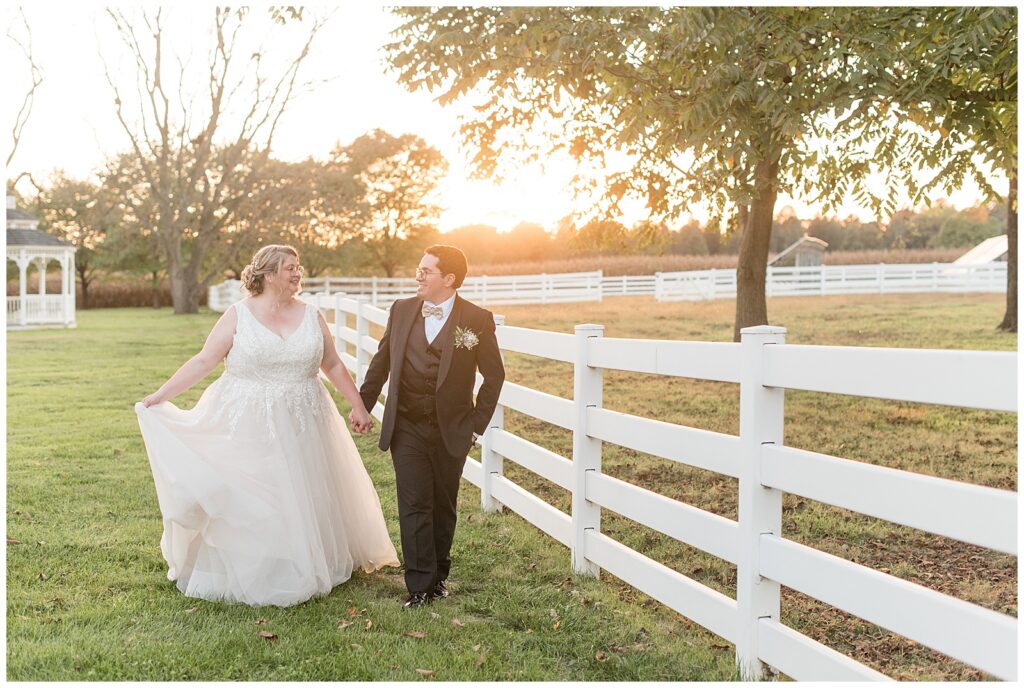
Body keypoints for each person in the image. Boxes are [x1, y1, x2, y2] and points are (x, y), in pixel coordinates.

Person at [135, 244, 398, 607]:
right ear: (267, 275)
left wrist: (358, 406)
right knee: (257, 493)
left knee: (306, 490)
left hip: (306, 418)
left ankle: (304, 555)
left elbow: (333, 364)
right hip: (248, 419)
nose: (296, 273)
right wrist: (160, 396)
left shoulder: (311, 315)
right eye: (289, 267)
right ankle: (258, 563)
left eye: (298, 267)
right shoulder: (237, 315)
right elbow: (204, 360)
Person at [359, 245, 505, 609]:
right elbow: (381, 363)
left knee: (443, 504)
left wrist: (475, 427)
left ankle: (439, 575)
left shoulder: (477, 319)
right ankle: (420, 586)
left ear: (449, 279)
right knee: (413, 502)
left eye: (426, 271)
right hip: (406, 425)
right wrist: (362, 404)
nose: (418, 275)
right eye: (419, 269)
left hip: (452, 429)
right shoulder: (402, 310)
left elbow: (494, 375)